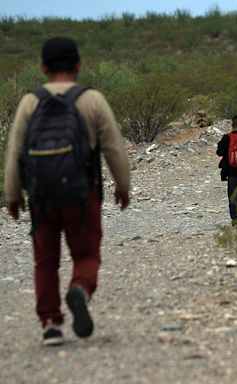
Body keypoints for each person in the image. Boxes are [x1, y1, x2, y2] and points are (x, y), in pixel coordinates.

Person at [3, 37, 131, 346]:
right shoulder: (92, 100)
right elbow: (114, 148)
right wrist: (123, 186)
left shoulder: (30, 102)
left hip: (41, 197)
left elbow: (15, 151)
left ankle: (50, 323)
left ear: (43, 67)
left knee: (45, 260)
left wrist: (12, 194)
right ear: (78, 65)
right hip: (81, 194)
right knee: (86, 253)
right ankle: (80, 289)